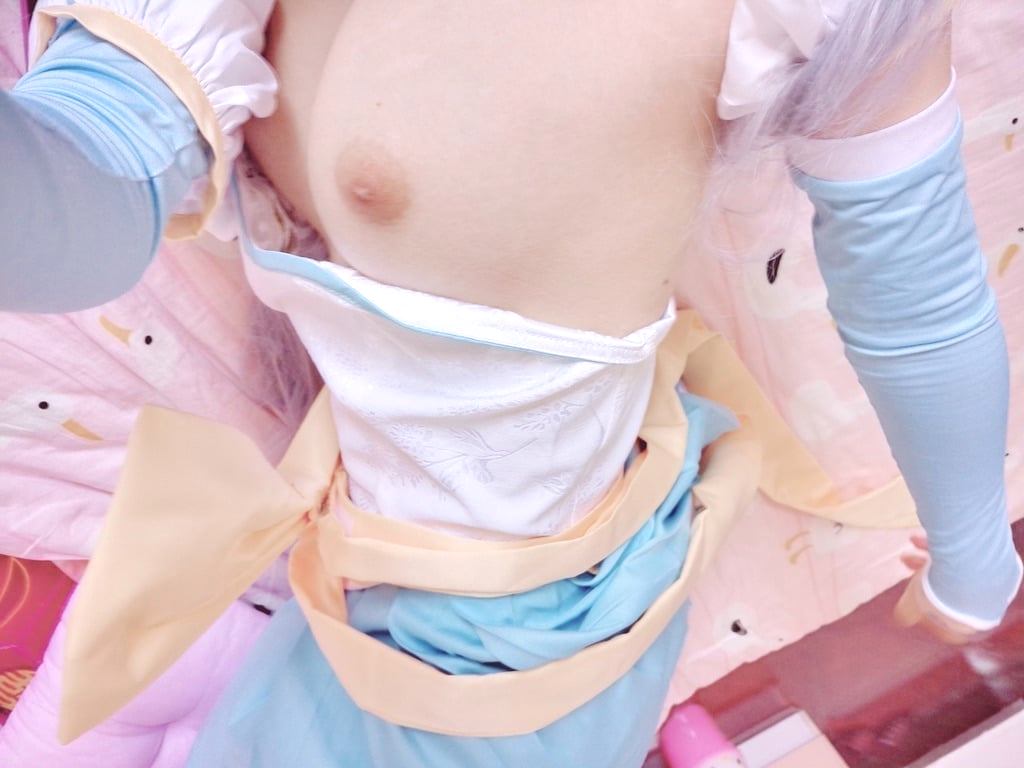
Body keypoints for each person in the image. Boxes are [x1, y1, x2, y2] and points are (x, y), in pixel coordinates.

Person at [0, 1, 1018, 765]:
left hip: (517, 643)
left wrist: (973, 565)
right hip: (346, 547)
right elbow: (97, 173)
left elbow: (920, 305)